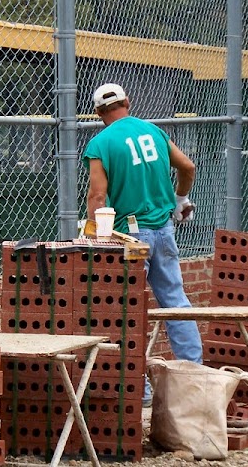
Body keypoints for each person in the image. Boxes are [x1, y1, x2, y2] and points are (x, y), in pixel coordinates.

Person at [83, 83, 203, 396]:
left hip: (130, 235)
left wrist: (93, 233)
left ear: (98, 113)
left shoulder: (101, 143)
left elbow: (97, 195)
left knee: (125, 308)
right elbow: (188, 166)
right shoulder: (154, 132)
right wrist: (180, 199)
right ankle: (195, 375)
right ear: (128, 102)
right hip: (163, 229)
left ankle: (141, 388)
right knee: (175, 301)